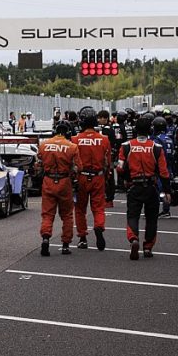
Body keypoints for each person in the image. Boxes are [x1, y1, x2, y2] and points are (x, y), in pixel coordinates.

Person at [118, 115, 171, 260]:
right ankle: (148, 247)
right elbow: (164, 171)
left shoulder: (126, 146)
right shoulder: (156, 148)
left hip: (134, 186)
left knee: (133, 215)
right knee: (152, 218)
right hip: (151, 187)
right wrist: (167, 190)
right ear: (150, 130)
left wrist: (125, 179)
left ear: (135, 130)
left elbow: (120, 168)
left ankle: (133, 239)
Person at [37, 121, 80, 256]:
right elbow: (79, 167)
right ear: (68, 132)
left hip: (48, 180)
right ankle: (65, 245)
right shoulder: (72, 147)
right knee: (67, 214)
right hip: (64, 181)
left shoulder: (44, 145)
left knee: (47, 214)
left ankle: (45, 237)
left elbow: (38, 164)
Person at [71, 107, 111, 251]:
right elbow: (108, 162)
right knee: (98, 207)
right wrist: (106, 177)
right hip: (98, 176)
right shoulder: (104, 139)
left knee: (80, 209)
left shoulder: (75, 139)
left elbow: (72, 162)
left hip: (81, 177)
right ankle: (99, 227)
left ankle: (82, 238)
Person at [152, 116, 175, 218]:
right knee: (166, 187)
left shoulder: (157, 140)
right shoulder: (169, 138)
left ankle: (164, 211)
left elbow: (156, 153)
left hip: (160, 166)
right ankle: (166, 209)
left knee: (158, 189)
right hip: (168, 165)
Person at [97, 110, 117, 206]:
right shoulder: (99, 129)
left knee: (109, 176)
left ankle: (109, 198)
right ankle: (105, 197)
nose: (101, 120)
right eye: (100, 118)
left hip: (108, 156)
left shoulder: (108, 130)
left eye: (103, 118)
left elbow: (111, 143)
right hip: (102, 156)